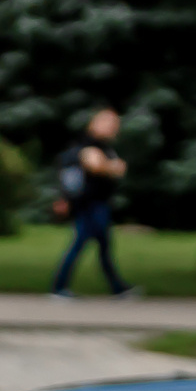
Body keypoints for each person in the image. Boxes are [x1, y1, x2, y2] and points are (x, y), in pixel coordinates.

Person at [52, 106, 141, 298]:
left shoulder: (103, 147)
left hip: (97, 203)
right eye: (107, 122)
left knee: (102, 246)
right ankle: (59, 288)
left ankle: (116, 287)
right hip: (90, 204)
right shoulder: (89, 145)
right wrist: (113, 167)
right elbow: (94, 165)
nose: (111, 127)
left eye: (114, 124)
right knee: (82, 243)